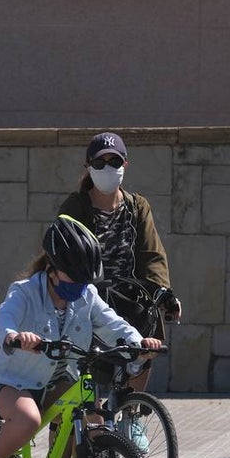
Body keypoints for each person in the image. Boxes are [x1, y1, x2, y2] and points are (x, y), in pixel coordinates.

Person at [0, 215, 162, 458]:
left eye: (85, 280)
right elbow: (4, 319)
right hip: (13, 381)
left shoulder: (86, 295)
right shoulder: (25, 291)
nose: (79, 287)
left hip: (59, 379)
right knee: (27, 420)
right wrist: (15, 336)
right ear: (52, 270)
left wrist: (138, 343)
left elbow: (112, 324)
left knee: (92, 416)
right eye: (73, 278)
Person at [57, 132, 183, 400]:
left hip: (126, 293)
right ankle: (86, 422)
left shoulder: (137, 207)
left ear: (125, 165)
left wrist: (163, 293)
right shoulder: (75, 206)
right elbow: (60, 251)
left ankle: (132, 411)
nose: (107, 168)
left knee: (149, 323)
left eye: (114, 161)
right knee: (79, 372)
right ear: (88, 167)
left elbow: (152, 255)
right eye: (99, 163)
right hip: (85, 297)